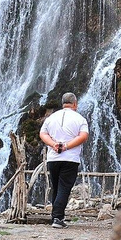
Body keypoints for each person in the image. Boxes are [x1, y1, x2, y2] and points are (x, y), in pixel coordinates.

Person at [39, 92, 89, 228]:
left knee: (56, 187)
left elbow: (42, 134)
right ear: (75, 104)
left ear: (63, 103)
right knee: (64, 188)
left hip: (53, 158)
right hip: (70, 159)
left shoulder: (51, 118)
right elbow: (83, 136)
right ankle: (57, 218)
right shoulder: (80, 119)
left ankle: (55, 216)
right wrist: (66, 146)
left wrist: (53, 144)